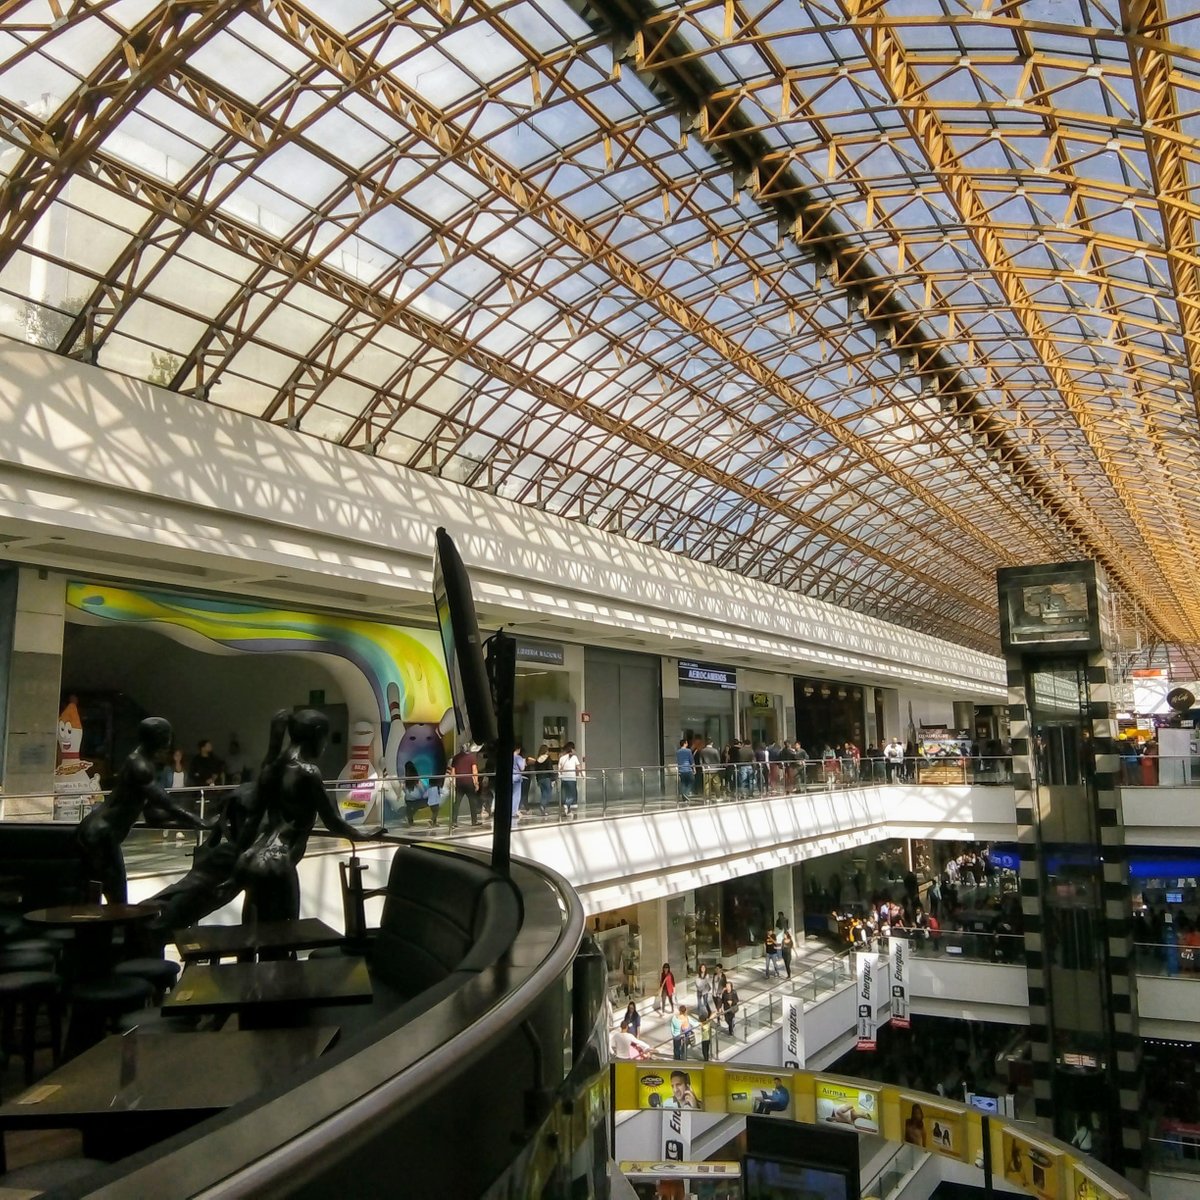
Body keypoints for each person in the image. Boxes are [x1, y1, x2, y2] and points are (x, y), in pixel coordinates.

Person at [235, 709, 385, 923]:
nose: (324, 745)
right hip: (279, 863)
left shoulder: (272, 767)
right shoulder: (307, 772)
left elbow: (253, 819)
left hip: (251, 860)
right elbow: (332, 821)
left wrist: (238, 859)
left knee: (248, 937)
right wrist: (363, 835)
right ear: (316, 734)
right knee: (284, 937)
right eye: (324, 737)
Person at [77, 717, 212, 903]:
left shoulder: (142, 763)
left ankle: (106, 928)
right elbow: (168, 804)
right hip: (100, 835)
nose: (168, 743)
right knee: (110, 895)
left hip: (101, 834)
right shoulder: (139, 765)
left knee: (111, 893)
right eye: (166, 738)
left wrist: (188, 824)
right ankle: (103, 929)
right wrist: (202, 822)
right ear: (157, 739)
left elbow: (152, 812)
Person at [448, 742, 481, 828]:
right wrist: (476, 783)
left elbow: (453, 772)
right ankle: (474, 821)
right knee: (472, 802)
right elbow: (474, 771)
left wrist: (453, 782)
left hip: (459, 782)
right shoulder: (472, 757)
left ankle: (454, 822)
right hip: (469, 782)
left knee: (457, 803)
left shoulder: (456, 758)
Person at [558, 742, 581, 817]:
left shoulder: (561, 758)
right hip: (571, 778)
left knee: (567, 794)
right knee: (572, 795)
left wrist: (560, 775)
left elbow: (559, 768)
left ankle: (568, 811)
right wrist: (582, 775)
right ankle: (567, 805)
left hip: (564, 778)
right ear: (572, 749)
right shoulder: (574, 757)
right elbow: (578, 767)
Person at [531, 744, 555, 816]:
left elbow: (536, 771)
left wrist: (537, 779)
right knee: (548, 794)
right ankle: (542, 805)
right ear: (546, 750)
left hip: (540, 779)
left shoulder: (537, 760)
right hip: (547, 778)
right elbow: (550, 769)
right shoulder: (548, 758)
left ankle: (543, 809)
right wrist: (553, 778)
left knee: (543, 793)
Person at [403, 760, 426, 828]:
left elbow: (403, 789)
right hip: (416, 800)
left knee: (410, 805)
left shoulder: (404, 778)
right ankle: (409, 817)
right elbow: (422, 789)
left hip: (408, 800)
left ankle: (409, 818)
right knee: (424, 801)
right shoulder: (417, 779)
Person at [676, 737, 694, 802]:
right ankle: (685, 793)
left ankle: (684, 798)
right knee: (691, 781)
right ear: (685, 743)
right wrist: (694, 768)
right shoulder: (688, 751)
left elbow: (678, 761)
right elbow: (691, 760)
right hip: (688, 769)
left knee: (683, 783)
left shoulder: (678, 752)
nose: (687, 744)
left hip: (681, 769)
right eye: (687, 743)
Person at [512, 745, 526, 820]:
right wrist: (524, 762)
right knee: (516, 795)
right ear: (518, 749)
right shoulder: (518, 757)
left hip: (509, 777)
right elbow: (522, 768)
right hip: (516, 777)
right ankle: (514, 812)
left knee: (510, 795)